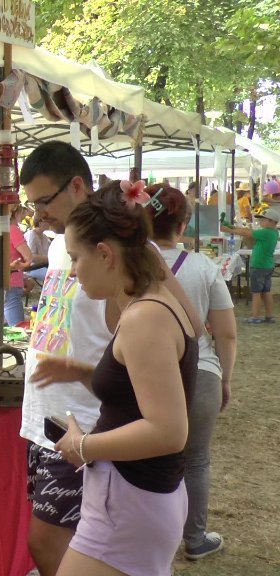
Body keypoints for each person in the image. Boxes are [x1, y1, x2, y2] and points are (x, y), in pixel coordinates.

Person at [19, 142, 207, 576]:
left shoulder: (143, 302)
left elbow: (169, 425)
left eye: (43, 201)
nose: (38, 213)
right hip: (74, 436)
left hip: (109, 458)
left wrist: (86, 444)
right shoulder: (74, 253)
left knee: (48, 545)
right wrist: (82, 370)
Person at [147, 184, 236, 560]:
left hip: (147, 373)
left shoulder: (130, 262)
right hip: (201, 371)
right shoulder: (204, 267)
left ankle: (150, 539)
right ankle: (195, 538)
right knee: (196, 458)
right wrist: (225, 378)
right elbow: (227, 331)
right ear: (182, 224)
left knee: (149, 458)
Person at [221, 208, 279, 323]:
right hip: (267, 265)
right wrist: (233, 227)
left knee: (256, 292)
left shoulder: (266, 232)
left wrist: (229, 229)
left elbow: (246, 232)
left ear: (273, 222)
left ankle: (255, 317)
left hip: (259, 265)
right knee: (266, 291)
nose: (261, 221)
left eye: (264, 219)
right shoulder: (273, 232)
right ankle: (269, 315)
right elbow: (248, 233)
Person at [6, 203, 35, 326]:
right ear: (16, 213)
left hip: (3, 282)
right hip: (12, 284)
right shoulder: (13, 230)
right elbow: (28, 257)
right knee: (18, 329)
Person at [24, 216, 52, 287]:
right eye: (47, 221)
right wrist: (49, 259)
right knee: (52, 276)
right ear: (40, 223)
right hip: (32, 268)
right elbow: (31, 257)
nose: (49, 223)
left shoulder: (45, 237)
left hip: (43, 266)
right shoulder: (31, 234)